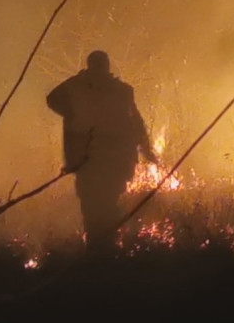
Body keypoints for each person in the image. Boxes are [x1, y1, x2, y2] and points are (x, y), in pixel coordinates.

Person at [46, 50, 157, 256]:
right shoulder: (112, 90)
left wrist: (78, 86)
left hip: (99, 158)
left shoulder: (89, 90)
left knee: (97, 204)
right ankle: (102, 249)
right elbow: (137, 123)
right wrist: (145, 149)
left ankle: (101, 250)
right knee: (99, 203)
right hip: (99, 159)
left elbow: (135, 121)